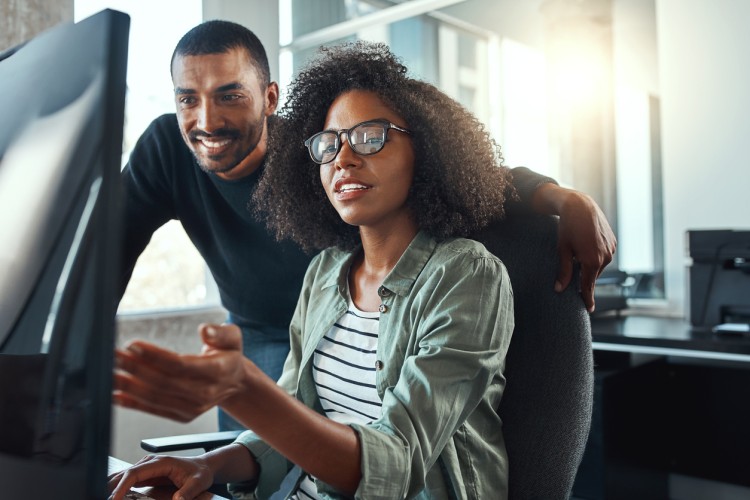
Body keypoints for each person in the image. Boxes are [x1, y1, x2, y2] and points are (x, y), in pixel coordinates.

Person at [120, 20, 615, 431]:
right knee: (249, 471)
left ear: (269, 97)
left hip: (341, 320)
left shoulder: (321, 147)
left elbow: (454, 172)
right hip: (257, 332)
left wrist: (559, 195)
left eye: (230, 96)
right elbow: (106, 248)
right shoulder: (167, 149)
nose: (207, 119)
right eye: (188, 99)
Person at [110, 40, 526, 500]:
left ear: (426, 149)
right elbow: (292, 416)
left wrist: (243, 390)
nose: (343, 159)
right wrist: (207, 466)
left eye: (370, 136)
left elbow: (398, 463)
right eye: (330, 145)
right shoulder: (326, 272)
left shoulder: (467, 276)